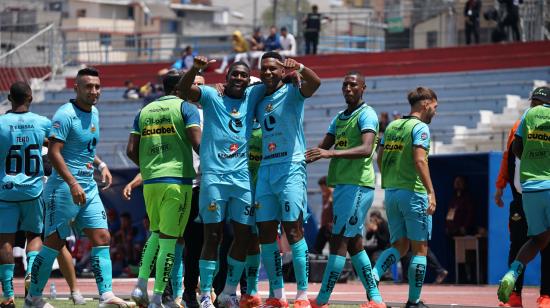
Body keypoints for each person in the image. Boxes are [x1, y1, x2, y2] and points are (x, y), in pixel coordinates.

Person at [25, 67, 131, 308]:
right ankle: (33, 298)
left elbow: (85, 149)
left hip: (88, 186)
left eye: (97, 86)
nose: (94, 91)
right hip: (63, 188)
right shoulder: (65, 115)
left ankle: (106, 296)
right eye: (88, 86)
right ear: (76, 88)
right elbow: (54, 152)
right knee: (53, 243)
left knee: (102, 236)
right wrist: (72, 183)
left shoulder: (94, 112)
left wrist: (102, 163)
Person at [179, 56, 265, 308]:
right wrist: (196, 68)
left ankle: (228, 292)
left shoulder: (252, 95)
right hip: (214, 178)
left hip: (241, 180)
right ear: (225, 79)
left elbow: (272, 80)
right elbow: (184, 90)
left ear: (248, 81)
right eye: (234, 74)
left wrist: (292, 72)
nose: (239, 78)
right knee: (212, 237)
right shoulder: (211, 95)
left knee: (244, 236)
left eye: (243, 76)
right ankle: (205, 293)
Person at [305, 71, 385, 308]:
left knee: (339, 240)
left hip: (359, 185)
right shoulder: (340, 117)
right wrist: (299, 159)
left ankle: (322, 300)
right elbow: (323, 147)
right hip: (342, 186)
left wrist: (331, 153)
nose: (348, 88)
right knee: (354, 243)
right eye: (345, 85)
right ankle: (375, 299)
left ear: (363, 88)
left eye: (353, 84)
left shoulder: (367, 114)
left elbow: (366, 148)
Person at [127, 70, 201, 308]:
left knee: (156, 234)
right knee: (170, 242)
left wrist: (150, 168)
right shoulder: (186, 108)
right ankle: (158, 298)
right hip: (177, 181)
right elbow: (197, 142)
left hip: (151, 182)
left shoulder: (144, 110)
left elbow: (131, 150)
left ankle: (140, 286)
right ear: (182, 87)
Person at [254, 51, 321, 308]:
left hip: (291, 167)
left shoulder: (294, 92)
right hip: (266, 170)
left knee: (293, 230)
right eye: (264, 69)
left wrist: (301, 68)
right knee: (266, 233)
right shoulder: (259, 99)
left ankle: (302, 295)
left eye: (273, 68)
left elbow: (315, 83)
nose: (268, 72)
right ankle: (277, 294)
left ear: (283, 71)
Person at [373, 87, 439, 308]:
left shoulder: (393, 125)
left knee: (399, 246)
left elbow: (379, 159)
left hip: (391, 193)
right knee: (420, 249)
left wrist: (393, 178)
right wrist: (430, 191)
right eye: (435, 107)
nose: (435, 112)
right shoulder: (420, 128)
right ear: (425, 104)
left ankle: (372, 278)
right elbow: (420, 160)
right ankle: (414, 301)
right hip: (413, 193)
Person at [498, 86, 550, 308]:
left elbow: (510, 154)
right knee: (547, 245)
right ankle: (546, 297)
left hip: (526, 192)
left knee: (529, 241)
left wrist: (500, 186)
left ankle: (513, 285)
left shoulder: (523, 120)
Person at [0, 82, 49, 308]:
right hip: (33, 189)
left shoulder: (0, 122)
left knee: (5, 241)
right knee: (35, 235)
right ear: (30, 97)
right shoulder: (41, 122)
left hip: (6, 190)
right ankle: (31, 274)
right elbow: (56, 144)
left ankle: (9, 295)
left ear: (10, 98)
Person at [312, 176, 333, 254]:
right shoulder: (324, 196)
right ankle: (317, 265)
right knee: (317, 248)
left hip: (332, 226)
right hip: (324, 226)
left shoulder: (333, 195)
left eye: (322, 187)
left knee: (334, 249)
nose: (321, 189)